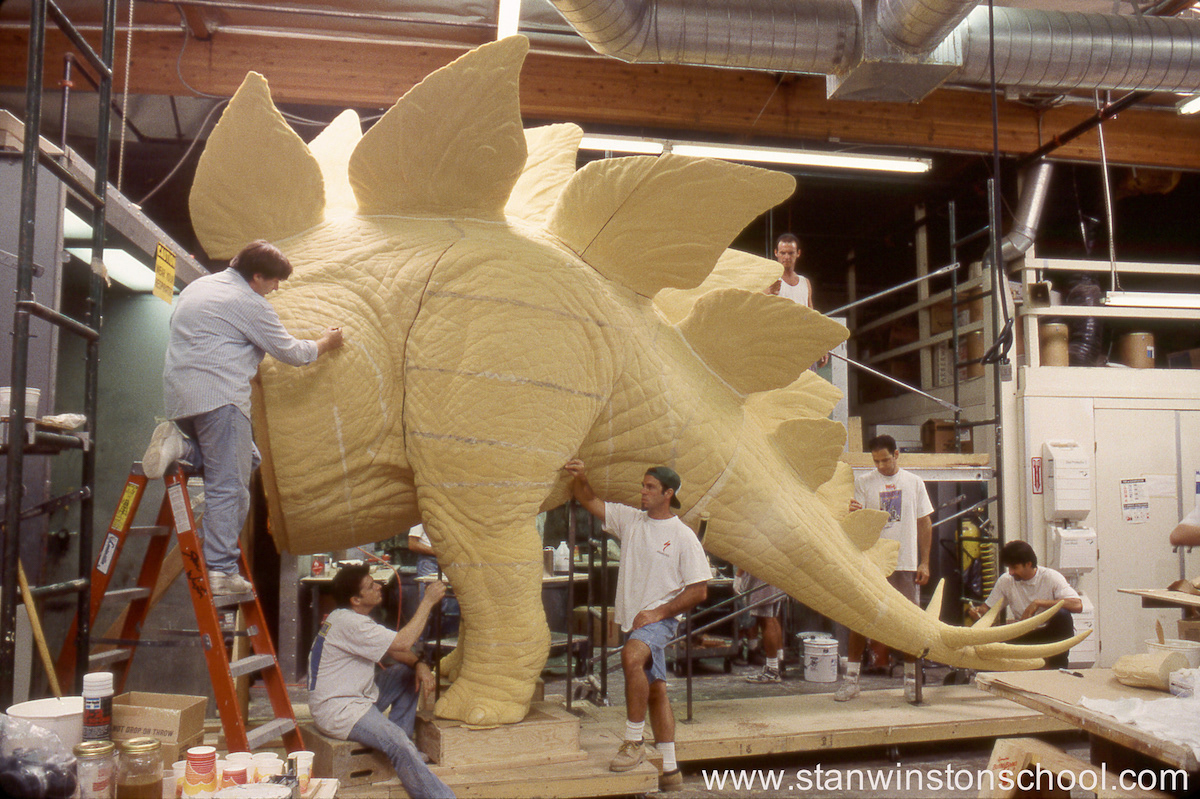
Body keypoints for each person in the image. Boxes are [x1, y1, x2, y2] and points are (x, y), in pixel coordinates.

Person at [141, 240, 344, 595]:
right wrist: (326, 343)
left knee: (247, 460)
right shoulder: (249, 304)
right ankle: (220, 571)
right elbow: (291, 353)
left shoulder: (200, 286)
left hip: (181, 397)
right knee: (229, 489)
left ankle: (182, 449)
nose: (277, 288)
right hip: (221, 400)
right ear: (257, 276)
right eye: (274, 281)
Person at [565, 459, 711, 792]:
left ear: (668, 493)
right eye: (642, 486)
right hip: (636, 620)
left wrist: (660, 613)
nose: (642, 492)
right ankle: (671, 771)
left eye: (649, 488)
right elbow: (589, 500)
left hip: (658, 621)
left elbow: (699, 589)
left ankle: (634, 741)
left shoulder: (682, 536)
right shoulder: (632, 520)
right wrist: (581, 477)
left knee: (631, 658)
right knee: (656, 690)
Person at [308, 564, 454, 798]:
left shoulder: (345, 616)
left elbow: (395, 650)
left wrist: (419, 665)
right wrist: (427, 601)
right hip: (340, 711)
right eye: (370, 586)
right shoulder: (352, 623)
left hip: (354, 697)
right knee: (397, 742)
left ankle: (403, 748)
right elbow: (403, 643)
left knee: (405, 673)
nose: (378, 586)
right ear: (356, 599)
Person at [836, 434, 934, 702]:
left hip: (905, 563)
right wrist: (851, 511)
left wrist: (924, 561)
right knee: (860, 618)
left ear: (897, 454)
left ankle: (912, 683)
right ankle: (851, 681)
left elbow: (925, 523)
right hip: (872, 563)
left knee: (910, 623)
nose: (880, 466)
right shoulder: (864, 482)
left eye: (885, 460)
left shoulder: (914, 483)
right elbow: (854, 522)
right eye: (876, 461)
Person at [968, 540, 1082, 669]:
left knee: (1063, 615)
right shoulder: (1006, 581)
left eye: (1014, 568)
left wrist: (1038, 603)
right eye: (1009, 568)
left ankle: (1058, 668)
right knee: (989, 647)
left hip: (1048, 633)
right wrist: (978, 612)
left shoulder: (1051, 577)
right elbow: (987, 608)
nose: (1010, 572)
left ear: (1028, 564)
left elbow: (1077, 605)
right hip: (1023, 633)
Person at [765, 233, 828, 367]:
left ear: (798, 253)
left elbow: (812, 316)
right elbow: (757, 309)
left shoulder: (805, 282)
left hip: (804, 347)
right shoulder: (769, 280)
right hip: (780, 348)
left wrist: (820, 345)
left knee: (807, 386)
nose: (786, 257)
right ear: (776, 253)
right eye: (783, 253)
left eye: (790, 253)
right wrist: (769, 292)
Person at [407, 523, 461, 638]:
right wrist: (437, 552)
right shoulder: (420, 520)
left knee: (444, 606)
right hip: (429, 562)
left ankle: (436, 644)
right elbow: (412, 544)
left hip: (448, 562)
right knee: (427, 604)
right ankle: (420, 644)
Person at [734, 569, 786, 683]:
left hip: (762, 583)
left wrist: (739, 575)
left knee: (767, 620)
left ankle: (772, 670)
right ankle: (777, 663)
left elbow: (747, 555)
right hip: (773, 579)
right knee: (772, 618)